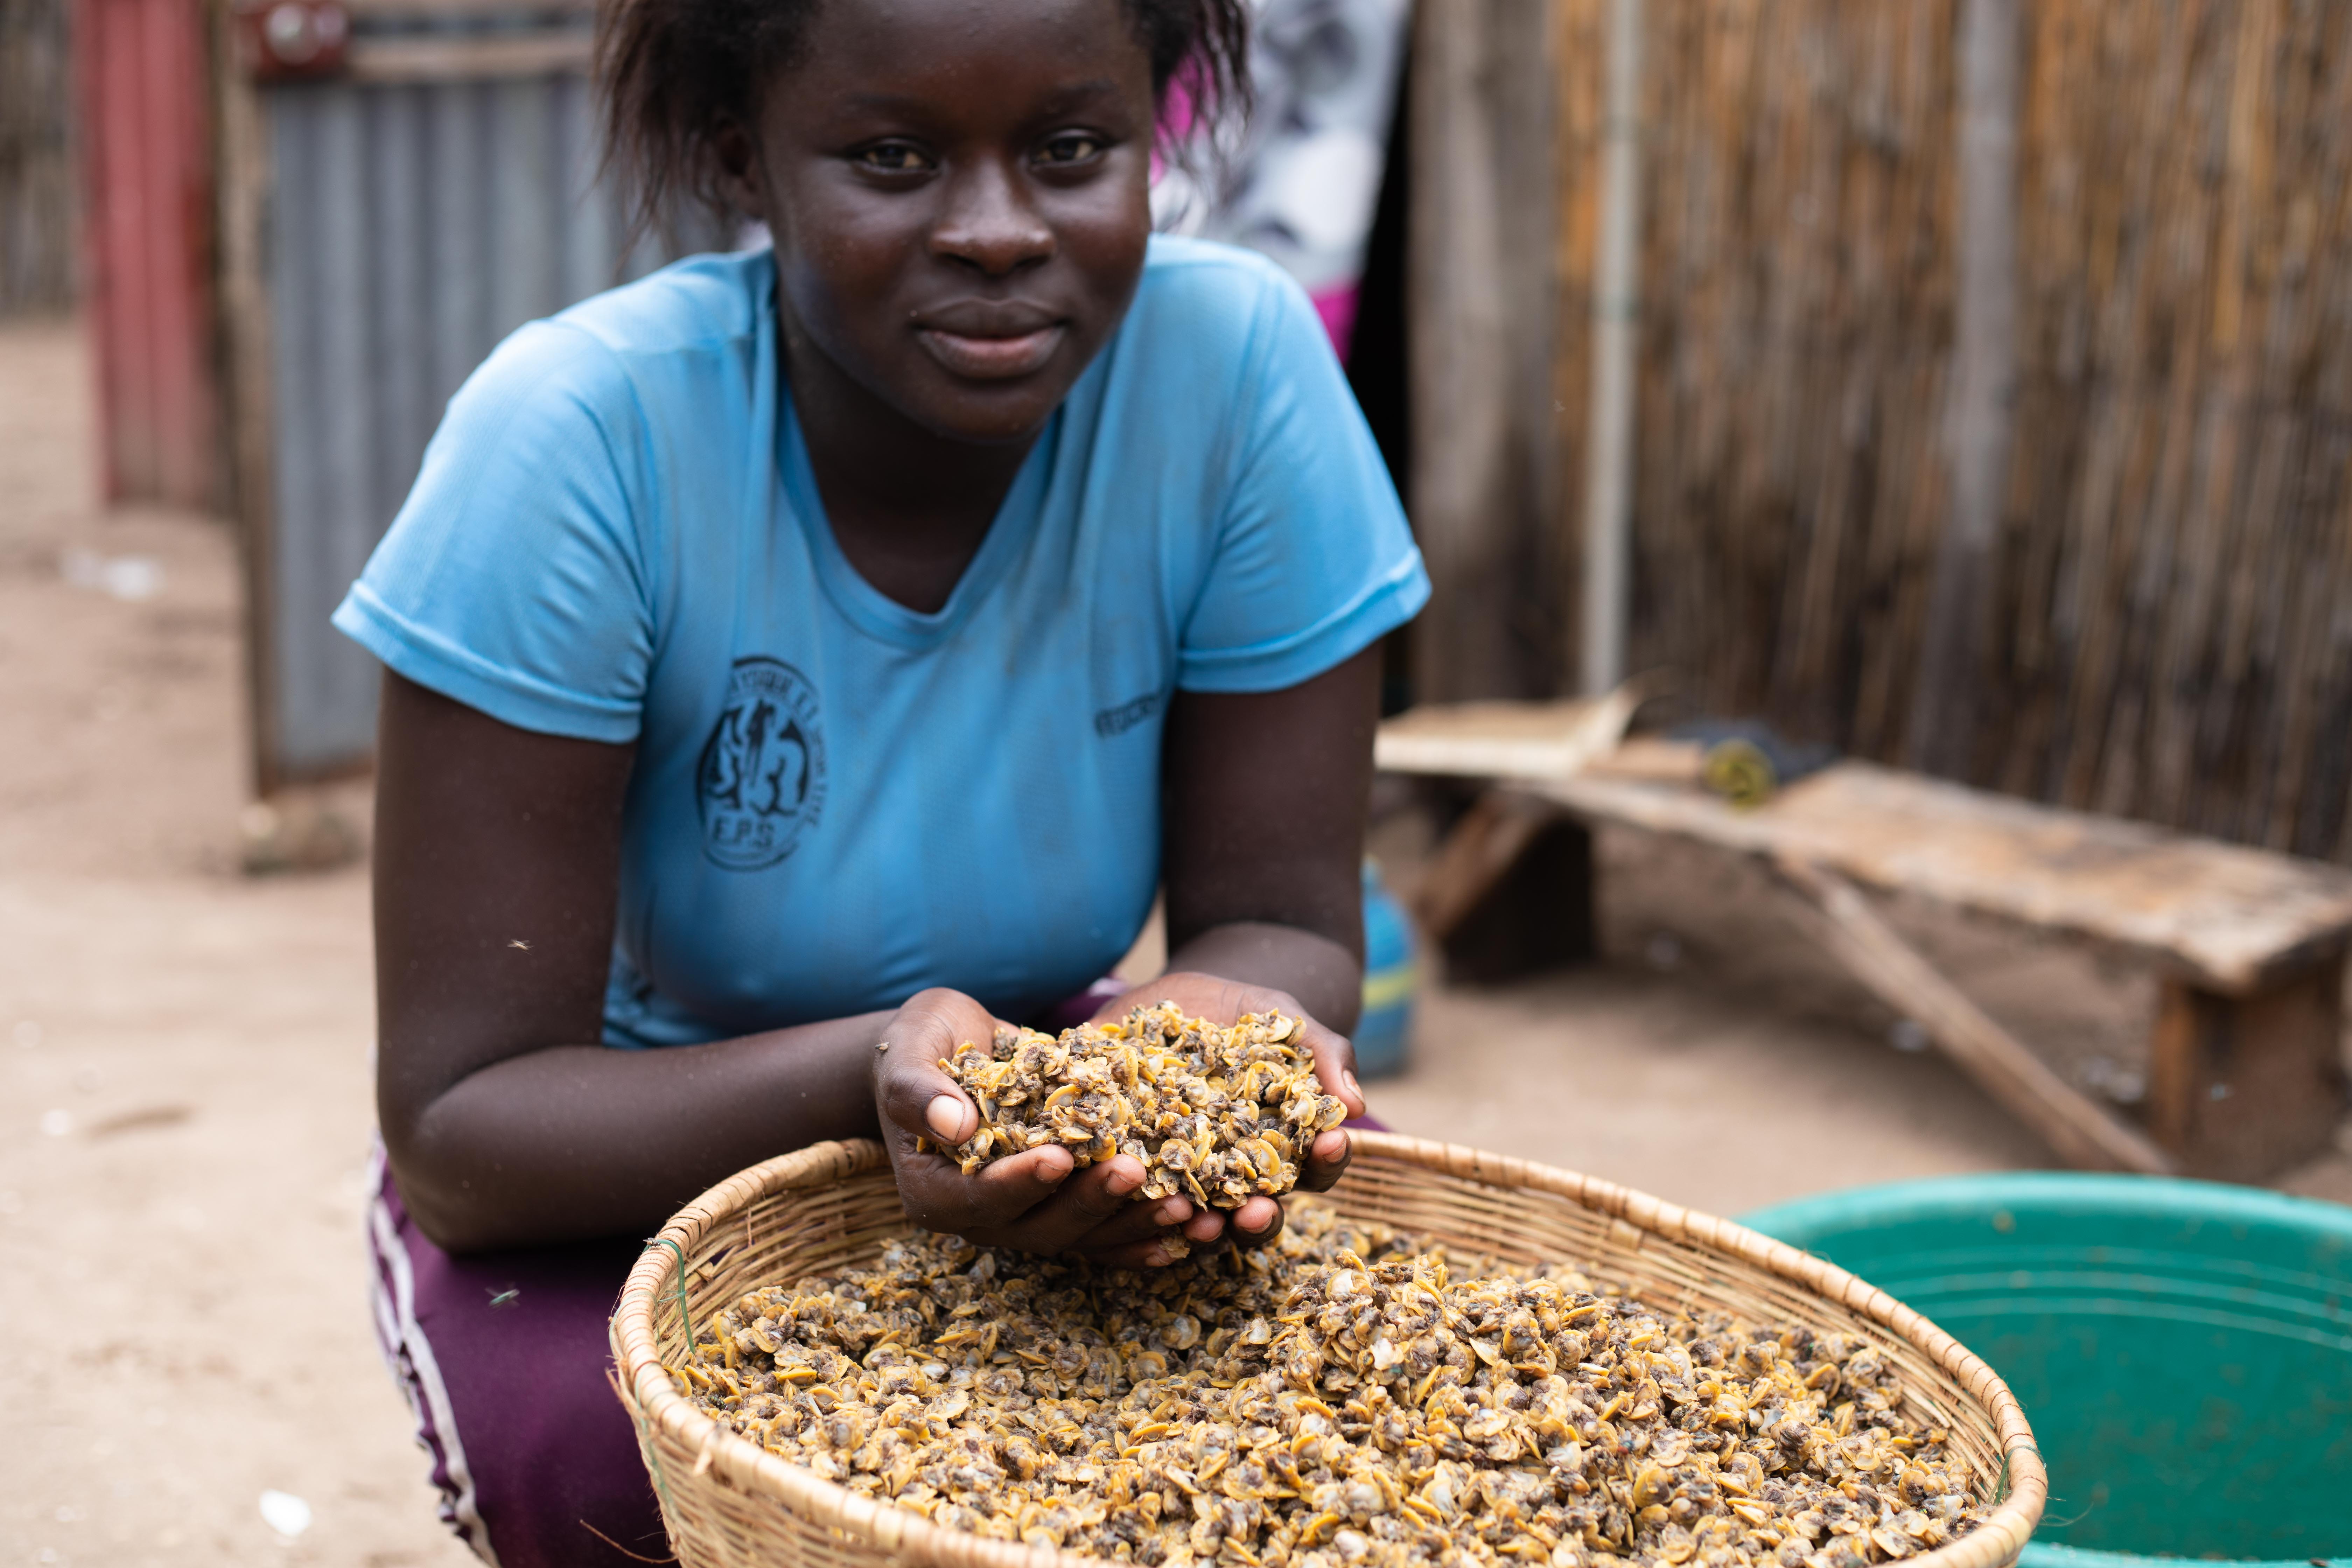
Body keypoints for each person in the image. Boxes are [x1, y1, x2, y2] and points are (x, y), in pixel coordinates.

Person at [333, 0, 1428, 1559]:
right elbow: (464, 1130)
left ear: (1154, 136)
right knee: (614, 1460)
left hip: (1042, 1101)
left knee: (1382, 1364)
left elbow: (1285, 927)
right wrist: (876, 1080)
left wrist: (1160, 1072)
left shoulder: (1235, 373)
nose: (996, 231)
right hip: (630, 1163)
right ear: (745, 158)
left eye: (1070, 149)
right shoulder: (580, 440)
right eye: (893, 157)